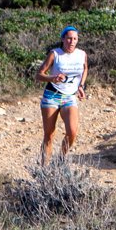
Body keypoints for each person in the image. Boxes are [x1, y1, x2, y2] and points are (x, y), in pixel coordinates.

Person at [37, 27, 89, 163]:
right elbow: (39, 75)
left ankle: (60, 159)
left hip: (70, 96)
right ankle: (44, 170)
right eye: (69, 39)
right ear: (63, 39)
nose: (72, 42)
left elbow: (85, 69)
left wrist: (81, 85)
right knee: (49, 135)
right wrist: (53, 78)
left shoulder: (82, 54)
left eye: (75, 39)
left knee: (72, 132)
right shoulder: (55, 54)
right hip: (52, 95)